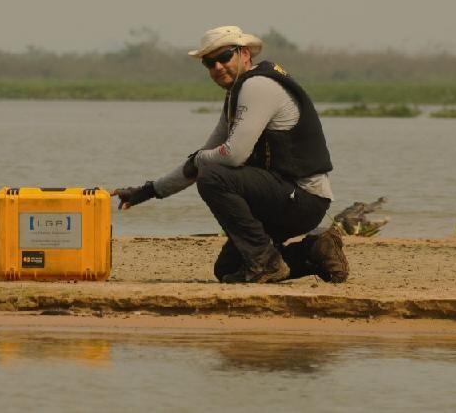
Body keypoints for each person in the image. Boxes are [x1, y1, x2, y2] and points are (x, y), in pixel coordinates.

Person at [113, 25, 348, 284]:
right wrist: (146, 191)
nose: (217, 67)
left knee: (214, 176)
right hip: (280, 197)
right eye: (209, 63)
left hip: (303, 199)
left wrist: (200, 161)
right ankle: (315, 252)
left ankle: (266, 262)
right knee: (227, 270)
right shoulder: (238, 93)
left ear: (245, 54)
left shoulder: (258, 86)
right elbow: (204, 155)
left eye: (224, 57)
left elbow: (230, 156)